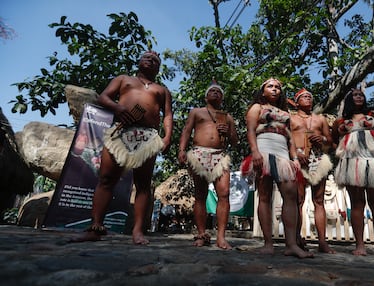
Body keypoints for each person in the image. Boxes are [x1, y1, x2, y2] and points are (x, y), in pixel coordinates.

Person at [71, 50, 173, 245]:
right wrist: (118, 108)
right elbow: (104, 98)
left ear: (158, 68)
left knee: (143, 184)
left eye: (155, 60)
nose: (150, 61)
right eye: (147, 58)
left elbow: (168, 115)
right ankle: (95, 227)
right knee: (107, 179)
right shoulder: (123, 79)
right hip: (121, 132)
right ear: (139, 62)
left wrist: (167, 137)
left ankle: (137, 231)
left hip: (148, 136)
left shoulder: (162, 90)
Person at [241, 78, 313, 258]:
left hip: (283, 155)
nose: (274, 89)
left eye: (278, 87)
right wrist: (255, 152)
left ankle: (291, 244)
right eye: (270, 86)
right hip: (263, 150)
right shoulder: (256, 108)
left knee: (291, 195)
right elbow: (250, 131)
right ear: (263, 90)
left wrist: (294, 158)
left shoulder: (285, 112)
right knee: (264, 196)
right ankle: (268, 244)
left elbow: (289, 139)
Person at [331, 88, 374, 258]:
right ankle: (360, 245)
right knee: (357, 203)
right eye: (355, 95)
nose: (359, 96)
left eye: (361, 94)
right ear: (348, 99)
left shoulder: (373, 114)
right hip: (352, 162)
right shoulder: (340, 121)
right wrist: (341, 151)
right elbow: (333, 139)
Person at [178, 80, 238, 250]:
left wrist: (228, 132)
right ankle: (202, 234)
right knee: (200, 194)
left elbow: (234, 141)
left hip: (220, 156)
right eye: (212, 91)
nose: (215, 93)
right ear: (206, 96)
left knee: (224, 193)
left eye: (218, 92)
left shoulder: (227, 117)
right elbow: (187, 131)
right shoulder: (197, 112)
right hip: (199, 153)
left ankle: (221, 237)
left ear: (222, 97)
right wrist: (182, 150)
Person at [290, 88, 335, 254]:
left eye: (310, 96)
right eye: (304, 97)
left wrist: (322, 139)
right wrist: (295, 154)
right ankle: (296, 238)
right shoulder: (291, 118)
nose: (308, 98)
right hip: (299, 159)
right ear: (297, 102)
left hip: (317, 158)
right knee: (298, 200)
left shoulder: (320, 119)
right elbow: (287, 139)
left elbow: (330, 140)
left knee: (319, 200)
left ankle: (322, 242)